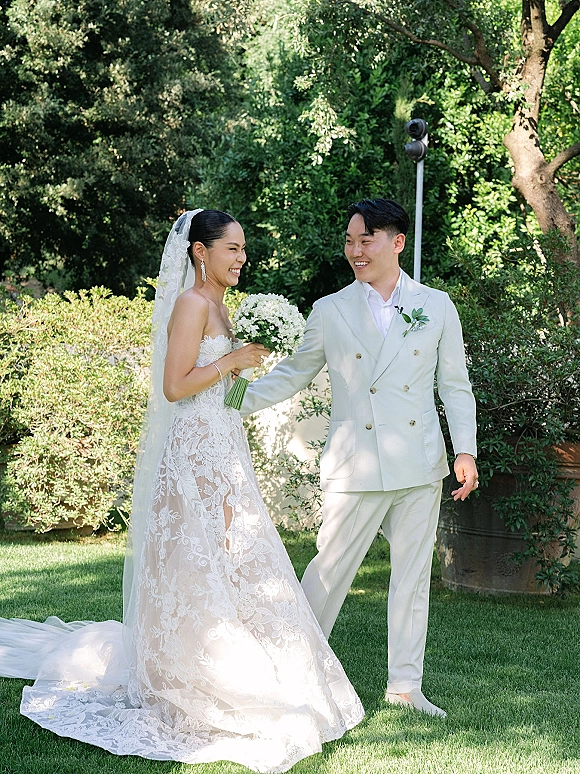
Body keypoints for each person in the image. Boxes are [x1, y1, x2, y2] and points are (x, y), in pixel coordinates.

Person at [0, 209, 364, 773]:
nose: (241, 258)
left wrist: (244, 364)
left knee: (234, 556)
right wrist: (233, 360)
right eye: (232, 249)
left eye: (244, 249)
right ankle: (192, 672)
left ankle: (246, 663)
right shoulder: (192, 304)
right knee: (195, 561)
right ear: (200, 251)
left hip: (221, 444)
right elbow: (174, 386)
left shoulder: (221, 303)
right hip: (193, 452)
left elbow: (214, 381)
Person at [241, 198, 478, 718]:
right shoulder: (329, 309)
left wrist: (465, 449)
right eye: (349, 241)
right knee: (328, 572)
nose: (354, 250)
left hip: (419, 462)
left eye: (365, 239)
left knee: (413, 579)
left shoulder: (436, 305)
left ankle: (405, 687)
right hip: (355, 465)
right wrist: (234, 399)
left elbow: (455, 386)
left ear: (396, 242)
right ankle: (291, 671)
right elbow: (293, 374)